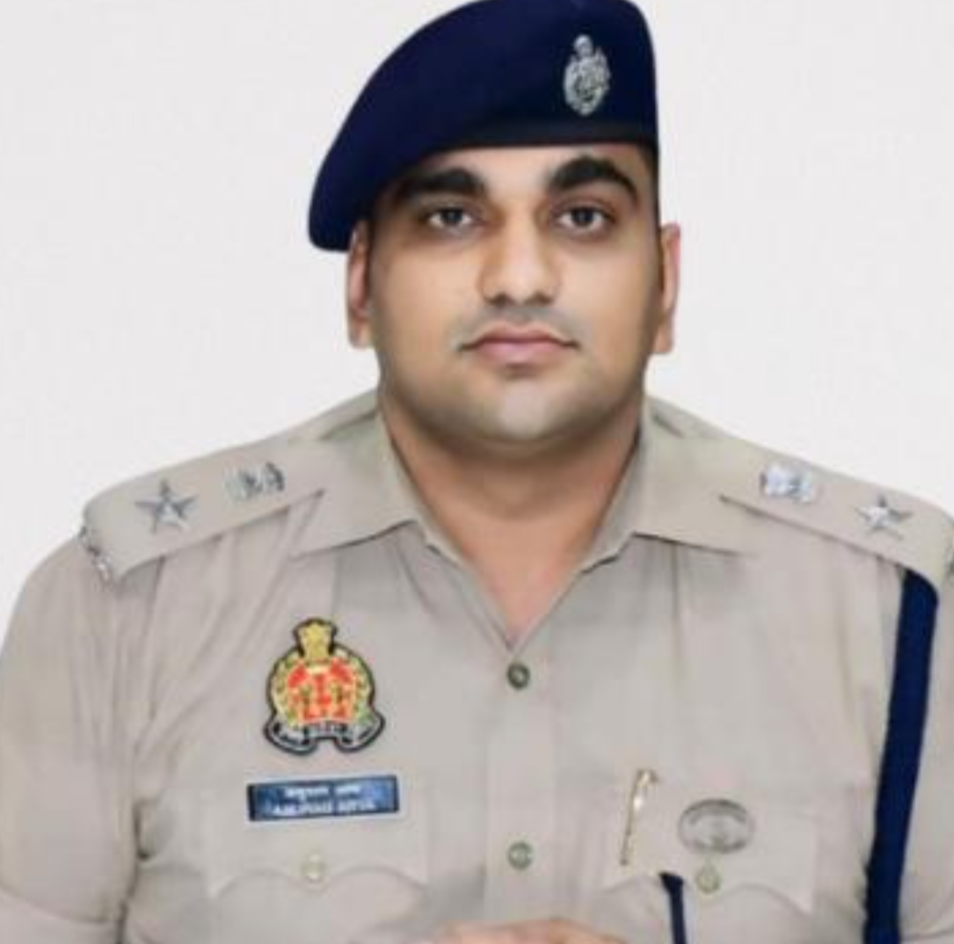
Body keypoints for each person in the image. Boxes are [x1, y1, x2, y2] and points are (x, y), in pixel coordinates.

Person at [1, 0, 952, 942]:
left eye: (583, 217)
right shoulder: (132, 609)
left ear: (666, 283)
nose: (520, 276)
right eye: (452, 217)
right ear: (361, 283)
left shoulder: (887, 614)